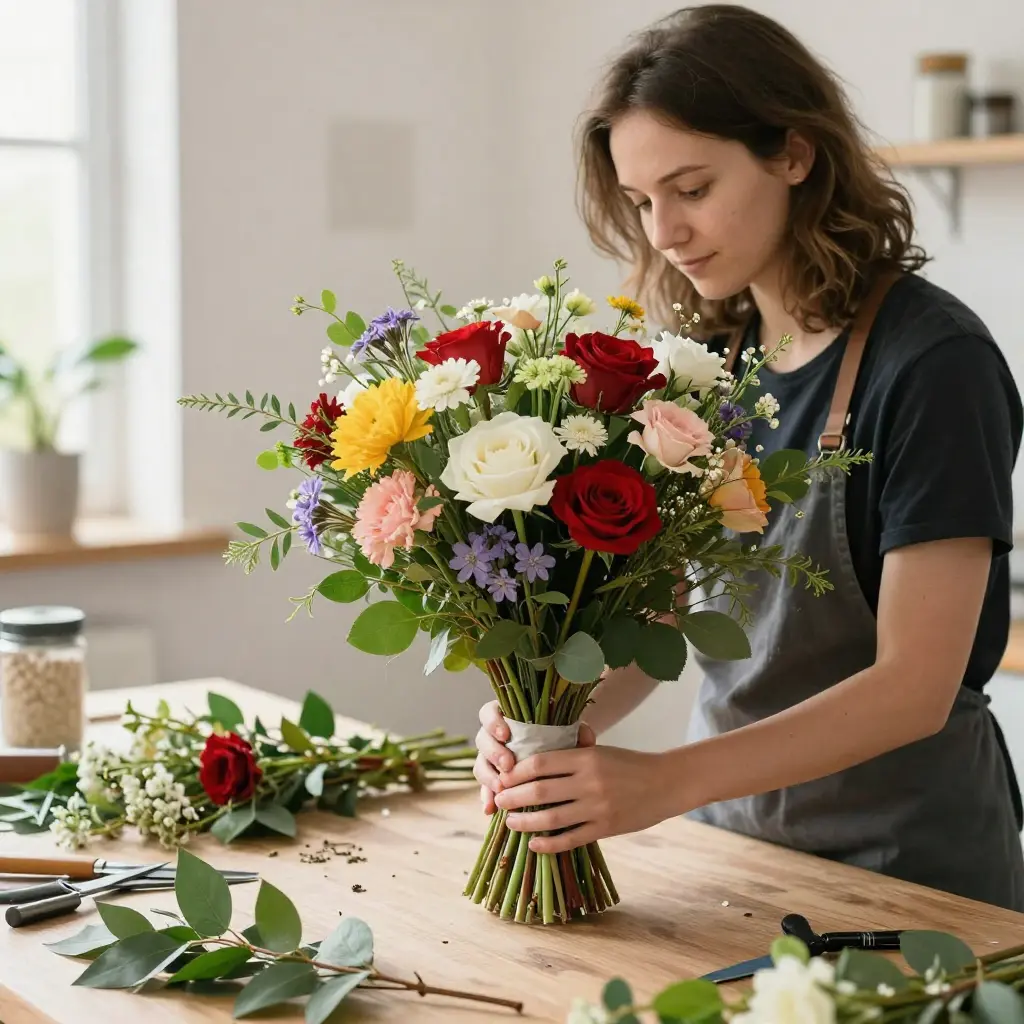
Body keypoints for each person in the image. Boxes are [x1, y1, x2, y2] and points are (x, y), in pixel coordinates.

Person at [473, 3, 1024, 911]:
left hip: (907, 874)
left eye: (692, 189)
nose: (663, 232)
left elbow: (912, 690)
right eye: (642, 201)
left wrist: (663, 782)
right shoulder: (712, 368)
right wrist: (551, 722)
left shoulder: (933, 365)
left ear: (795, 154)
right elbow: (662, 629)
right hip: (733, 856)